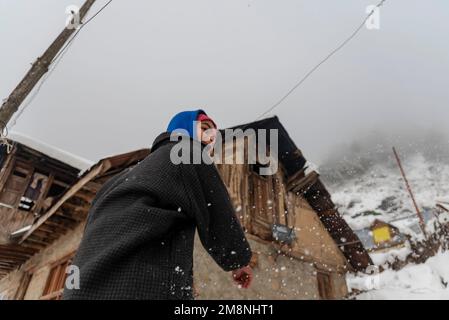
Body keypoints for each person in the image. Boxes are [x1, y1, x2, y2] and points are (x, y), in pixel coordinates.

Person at [63, 109, 253, 300]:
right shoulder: (188, 153)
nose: (212, 137)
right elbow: (217, 211)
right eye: (205, 128)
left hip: (82, 288)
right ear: (184, 130)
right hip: (138, 287)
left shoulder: (120, 179)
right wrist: (239, 260)